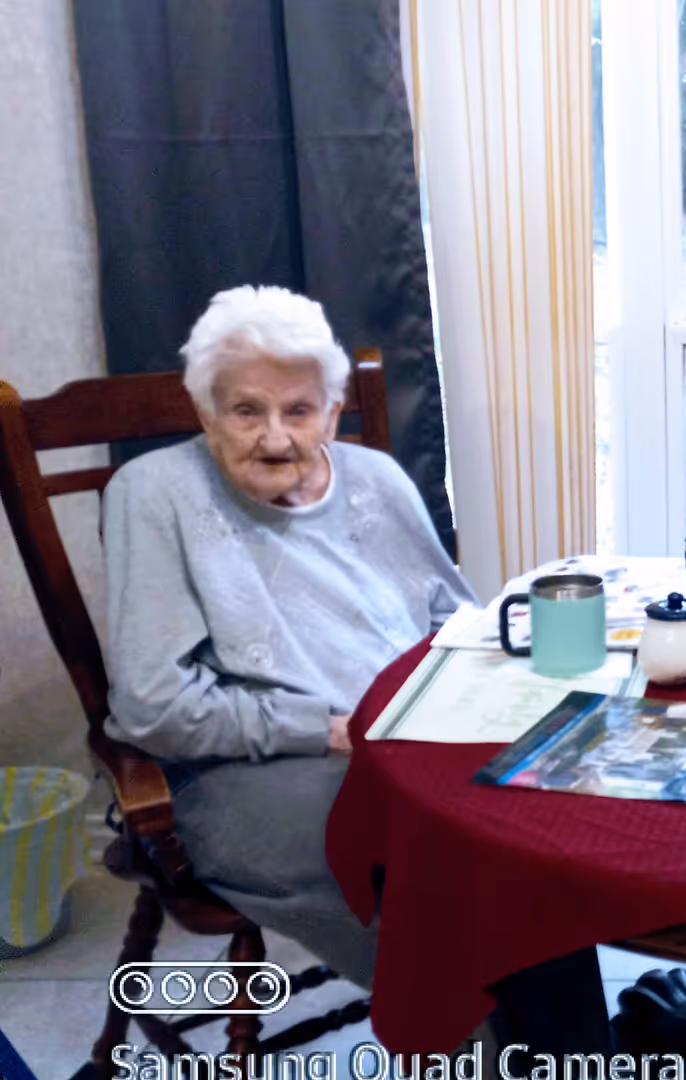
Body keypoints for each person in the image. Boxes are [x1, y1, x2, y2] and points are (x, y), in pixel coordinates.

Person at [103, 285, 606, 1052]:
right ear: (205, 412)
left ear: (333, 413)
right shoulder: (153, 494)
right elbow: (153, 704)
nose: (276, 437)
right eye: (245, 411)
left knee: (540, 824)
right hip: (251, 775)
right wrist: (325, 728)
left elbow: (453, 626)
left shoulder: (376, 479)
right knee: (462, 861)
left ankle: (564, 1055)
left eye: (299, 410)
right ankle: (494, 1047)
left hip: (408, 744)